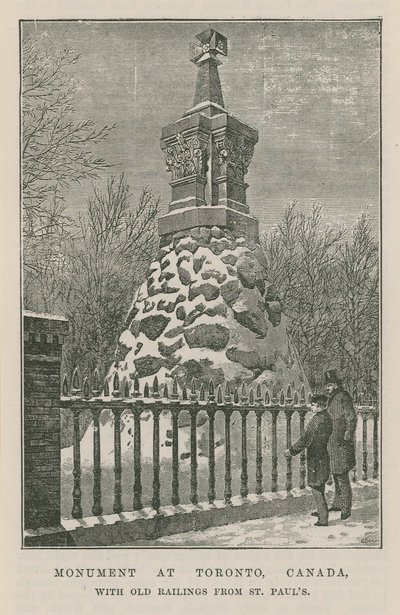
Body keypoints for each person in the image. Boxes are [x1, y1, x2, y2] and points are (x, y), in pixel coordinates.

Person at [283, 394, 333, 526]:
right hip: (322, 455)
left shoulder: (317, 420)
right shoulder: (327, 417)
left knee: (315, 486)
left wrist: (291, 451)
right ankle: (321, 511)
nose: (311, 407)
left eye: (313, 405)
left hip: (316, 457)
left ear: (320, 406)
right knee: (319, 484)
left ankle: (323, 518)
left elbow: (306, 439)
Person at [325, 369, 357, 520]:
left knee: (342, 476)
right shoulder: (332, 397)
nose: (328, 388)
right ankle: (337, 504)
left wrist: (347, 436)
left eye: (330, 385)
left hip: (342, 443)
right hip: (333, 442)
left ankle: (346, 508)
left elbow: (351, 418)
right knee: (336, 474)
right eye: (327, 385)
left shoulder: (344, 396)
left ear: (337, 384)